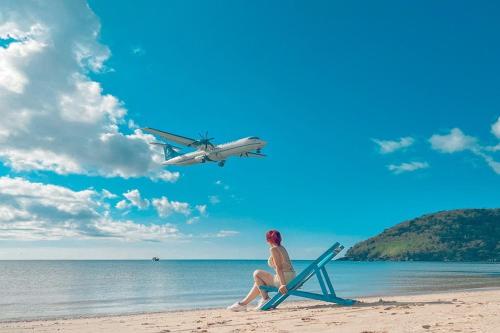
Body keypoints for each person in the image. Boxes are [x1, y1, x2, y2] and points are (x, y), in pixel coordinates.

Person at [227, 230, 296, 311]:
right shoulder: (282, 248)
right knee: (258, 283)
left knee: (257, 273)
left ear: (268, 240)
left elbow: (279, 267)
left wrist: (282, 285)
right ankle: (242, 304)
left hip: (285, 279)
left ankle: (265, 299)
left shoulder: (273, 249)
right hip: (291, 277)